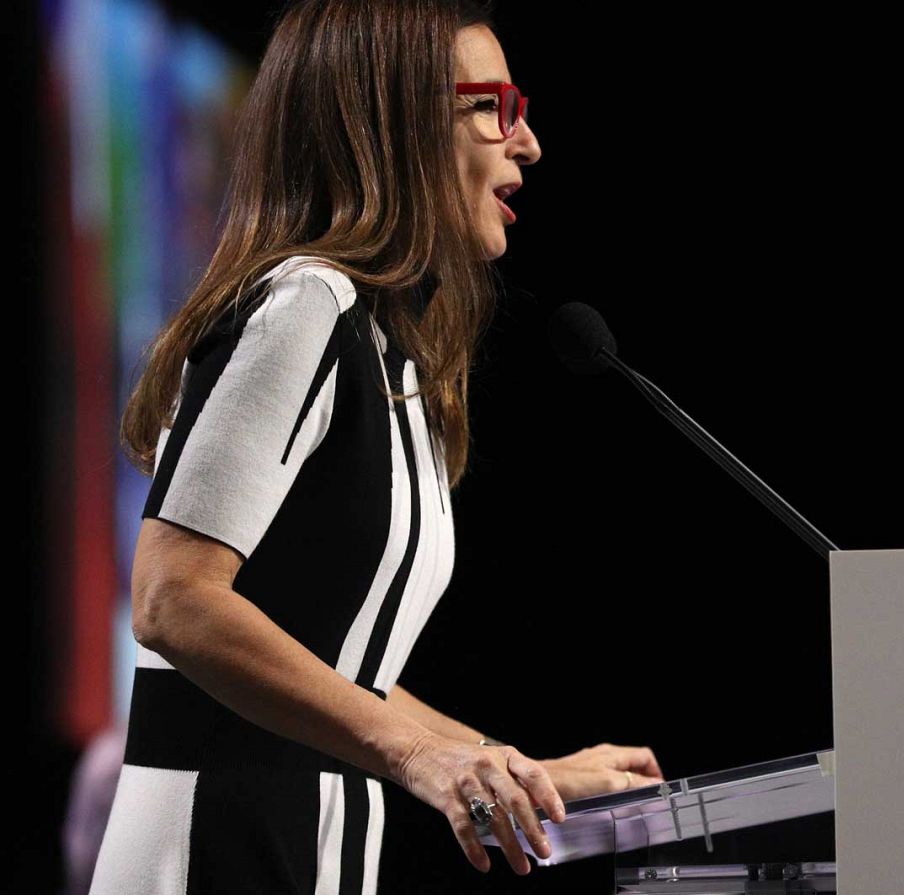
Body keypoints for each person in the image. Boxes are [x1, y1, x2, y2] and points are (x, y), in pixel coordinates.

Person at [92, 2, 664, 892]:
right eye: (497, 107)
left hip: (310, 841)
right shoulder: (303, 304)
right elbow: (173, 599)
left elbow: (332, 665)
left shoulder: (380, 345)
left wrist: (503, 765)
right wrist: (418, 759)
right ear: (391, 117)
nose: (530, 143)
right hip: (213, 845)